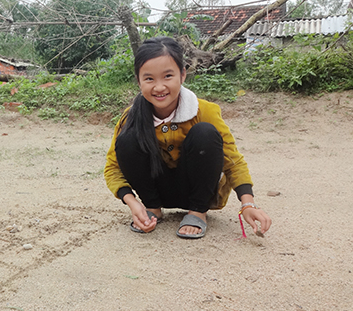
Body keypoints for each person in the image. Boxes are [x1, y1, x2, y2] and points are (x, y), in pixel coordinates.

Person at [104, 36, 271, 239]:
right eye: (149, 79)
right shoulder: (130, 116)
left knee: (205, 133)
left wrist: (248, 203)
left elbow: (232, 159)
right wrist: (133, 202)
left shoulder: (205, 110)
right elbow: (113, 166)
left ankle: (197, 212)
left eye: (168, 76)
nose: (159, 87)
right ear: (138, 80)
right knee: (127, 139)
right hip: (157, 191)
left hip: (197, 188)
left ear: (182, 75)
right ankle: (153, 208)